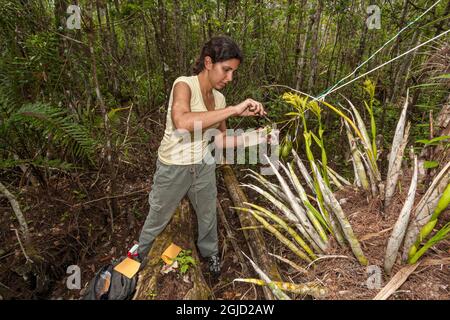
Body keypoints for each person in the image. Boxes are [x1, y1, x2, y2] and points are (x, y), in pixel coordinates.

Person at [137, 36, 267, 276]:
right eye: (226, 70)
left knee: (208, 216)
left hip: (204, 163)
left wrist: (256, 137)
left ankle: (211, 256)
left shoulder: (219, 99)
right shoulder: (184, 85)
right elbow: (182, 122)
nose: (230, 78)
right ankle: (139, 258)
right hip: (173, 166)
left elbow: (221, 140)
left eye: (233, 72)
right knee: (157, 217)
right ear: (208, 62)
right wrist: (234, 110)